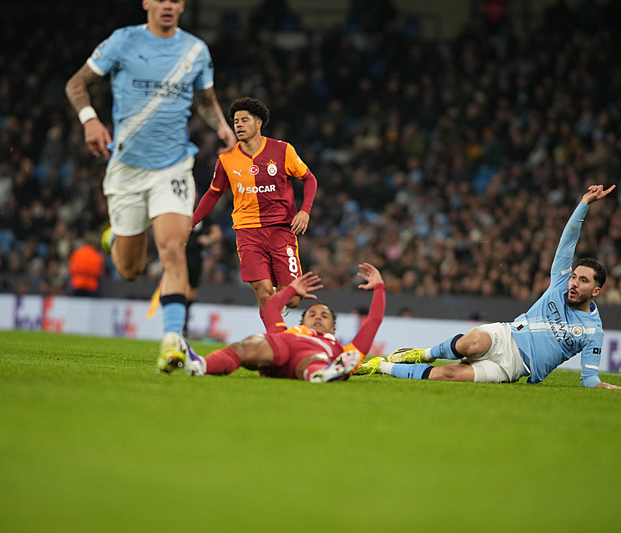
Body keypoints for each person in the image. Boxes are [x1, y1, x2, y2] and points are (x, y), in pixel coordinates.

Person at [64, 0, 235, 360]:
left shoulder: (195, 50)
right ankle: (115, 236)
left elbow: (206, 100)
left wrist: (220, 126)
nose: (168, 6)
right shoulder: (122, 41)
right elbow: (77, 84)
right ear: (147, 3)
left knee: (174, 250)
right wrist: (89, 119)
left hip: (173, 167)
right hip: (126, 169)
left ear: (183, 5)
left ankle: (172, 341)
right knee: (130, 269)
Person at [358, 185, 621, 390]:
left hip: (514, 368)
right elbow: (568, 241)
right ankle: (422, 354)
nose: (574, 283)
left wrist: (605, 387)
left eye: (583, 281)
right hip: (506, 335)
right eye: (575, 277)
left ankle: (380, 366)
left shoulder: (593, 331)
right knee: (470, 344)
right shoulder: (559, 282)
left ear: (596, 291)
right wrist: (584, 204)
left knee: (449, 375)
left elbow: (589, 378)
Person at [191, 96, 317, 323]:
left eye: (244, 120)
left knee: (293, 298)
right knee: (263, 291)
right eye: (235, 121)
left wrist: (305, 210)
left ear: (259, 123)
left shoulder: (282, 150)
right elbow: (213, 193)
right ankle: (275, 342)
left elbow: (309, 179)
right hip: (248, 231)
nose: (238, 125)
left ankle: (278, 310)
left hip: (281, 230)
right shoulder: (227, 158)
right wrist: (191, 222)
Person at [158, 263, 386, 383]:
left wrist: (379, 289)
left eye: (324, 316)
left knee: (315, 361)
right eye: (313, 313)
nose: (317, 316)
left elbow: (373, 321)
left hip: (315, 359)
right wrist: (292, 291)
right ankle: (200, 365)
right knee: (247, 346)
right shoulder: (287, 332)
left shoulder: (339, 348)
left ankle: (323, 374)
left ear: (333, 329)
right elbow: (271, 308)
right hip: (281, 350)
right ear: (303, 320)